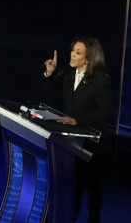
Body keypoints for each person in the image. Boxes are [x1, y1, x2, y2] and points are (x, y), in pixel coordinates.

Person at [44, 37, 112, 223]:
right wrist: (50, 73)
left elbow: (105, 111)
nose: (73, 55)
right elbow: (50, 88)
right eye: (73, 50)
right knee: (75, 184)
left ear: (89, 58)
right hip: (72, 141)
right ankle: (68, 218)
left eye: (78, 52)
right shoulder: (68, 72)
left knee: (93, 187)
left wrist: (77, 120)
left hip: (94, 144)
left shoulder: (100, 80)